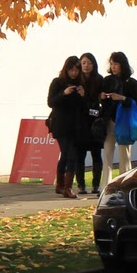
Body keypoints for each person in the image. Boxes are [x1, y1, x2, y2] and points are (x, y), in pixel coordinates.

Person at [97, 51, 137, 190]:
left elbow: (135, 102)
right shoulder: (107, 80)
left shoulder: (132, 83)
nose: (113, 66)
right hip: (109, 119)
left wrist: (121, 98)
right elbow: (100, 99)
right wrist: (102, 97)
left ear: (123, 64)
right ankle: (106, 186)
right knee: (107, 154)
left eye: (116, 63)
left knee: (125, 155)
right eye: (111, 63)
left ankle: (125, 184)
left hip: (124, 120)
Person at [45, 57, 85, 198]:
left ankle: (61, 185)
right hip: (60, 125)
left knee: (67, 155)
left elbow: (82, 107)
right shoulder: (58, 82)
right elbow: (51, 102)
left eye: (76, 70)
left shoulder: (80, 84)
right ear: (66, 69)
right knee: (70, 154)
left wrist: (82, 96)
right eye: (71, 70)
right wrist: (64, 93)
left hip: (74, 126)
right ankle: (66, 187)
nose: (74, 73)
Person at [74, 52, 104, 195]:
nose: (86, 66)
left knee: (96, 154)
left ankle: (96, 184)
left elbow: (99, 100)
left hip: (94, 121)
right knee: (79, 155)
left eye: (89, 63)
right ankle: (81, 185)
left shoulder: (99, 80)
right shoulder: (75, 79)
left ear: (94, 65)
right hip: (80, 121)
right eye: (84, 63)